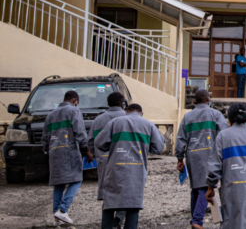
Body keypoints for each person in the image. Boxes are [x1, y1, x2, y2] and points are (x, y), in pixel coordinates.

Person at [95, 104, 166, 229]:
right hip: (136, 172)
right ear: (141, 113)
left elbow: (99, 143)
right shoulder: (148, 125)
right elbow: (159, 148)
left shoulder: (114, 123)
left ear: (126, 112)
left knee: (110, 204)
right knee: (133, 206)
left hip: (114, 171)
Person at [175, 90, 229, 229]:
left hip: (192, 156)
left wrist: (179, 158)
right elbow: (225, 132)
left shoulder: (187, 117)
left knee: (195, 188)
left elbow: (181, 138)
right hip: (210, 155)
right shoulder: (215, 114)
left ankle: (194, 218)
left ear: (195, 101)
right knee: (205, 188)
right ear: (207, 100)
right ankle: (197, 221)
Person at [42, 90, 92, 226]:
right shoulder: (74, 111)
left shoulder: (50, 115)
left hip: (54, 153)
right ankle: (63, 210)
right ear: (74, 100)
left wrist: (48, 151)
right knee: (76, 180)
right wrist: (87, 150)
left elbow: (45, 138)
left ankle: (56, 218)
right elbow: (80, 132)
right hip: (69, 152)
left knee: (59, 184)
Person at [88, 92, 127, 228]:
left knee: (108, 192)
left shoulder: (98, 120)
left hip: (103, 160)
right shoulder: (126, 117)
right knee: (124, 190)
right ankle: (119, 218)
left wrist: (96, 155)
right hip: (123, 159)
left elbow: (91, 141)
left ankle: (108, 224)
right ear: (122, 104)